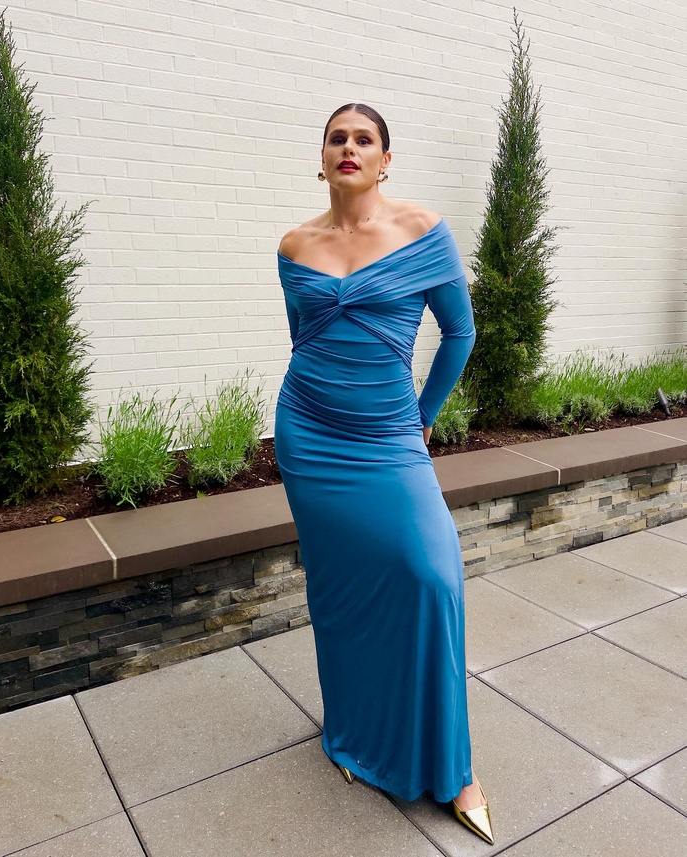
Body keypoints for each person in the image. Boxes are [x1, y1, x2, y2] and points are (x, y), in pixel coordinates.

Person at [274, 103, 494, 846]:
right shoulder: (294, 245)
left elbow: (460, 331)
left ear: (385, 160)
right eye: (337, 137)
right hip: (309, 437)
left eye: (363, 138)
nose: (349, 146)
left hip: (388, 439)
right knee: (339, 590)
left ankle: (455, 770)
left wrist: (422, 416)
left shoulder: (422, 231)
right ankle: (354, 731)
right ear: (323, 157)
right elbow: (304, 339)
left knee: (432, 575)